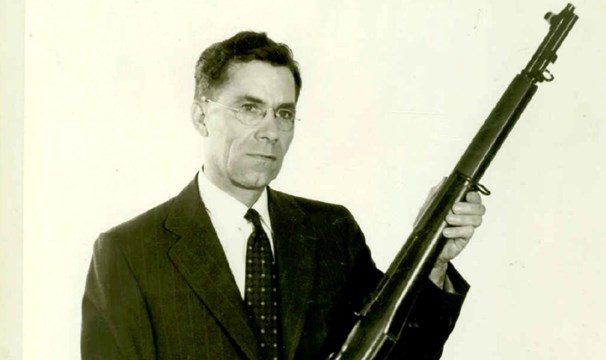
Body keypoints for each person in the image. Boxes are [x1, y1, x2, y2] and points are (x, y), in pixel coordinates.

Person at [81, 31, 486, 360]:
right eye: (249, 107)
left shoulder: (332, 231)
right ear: (201, 116)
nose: (271, 131)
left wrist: (433, 262)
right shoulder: (128, 253)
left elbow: (401, 356)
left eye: (284, 113)